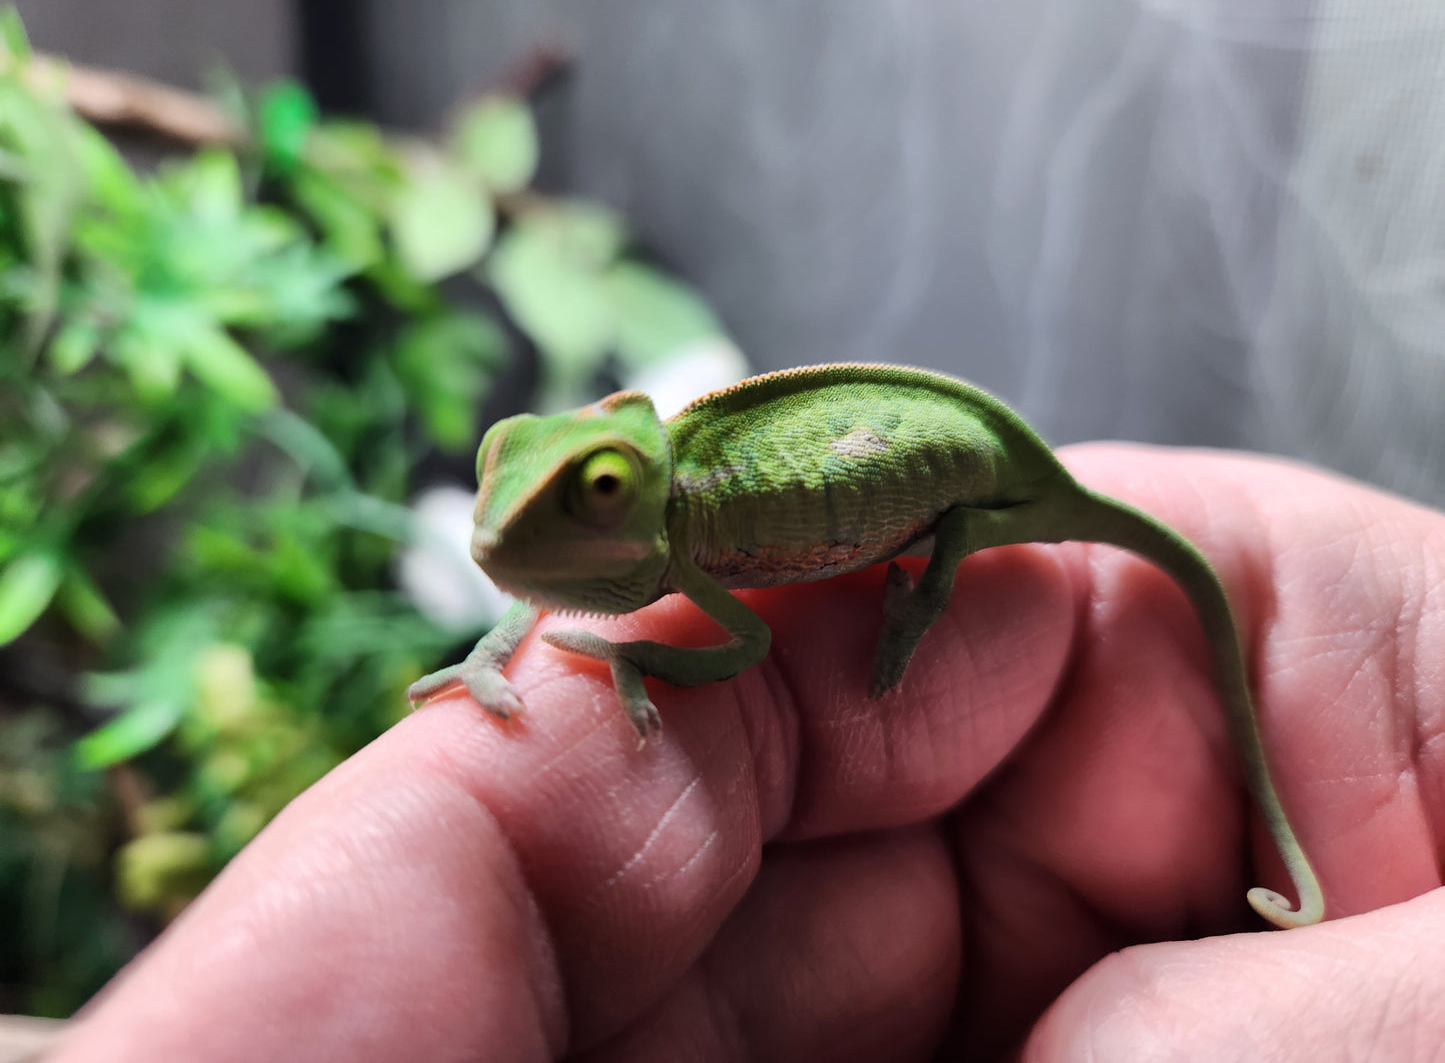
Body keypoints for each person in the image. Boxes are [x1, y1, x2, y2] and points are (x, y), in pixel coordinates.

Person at [48, 446, 1445, 1061]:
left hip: (973, 492)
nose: (527, 538)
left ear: (645, 498)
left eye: (598, 494)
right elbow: (578, 584)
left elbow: (740, 650)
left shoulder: (705, 545)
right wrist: (509, 645)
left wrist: (674, 655)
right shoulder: (649, 535)